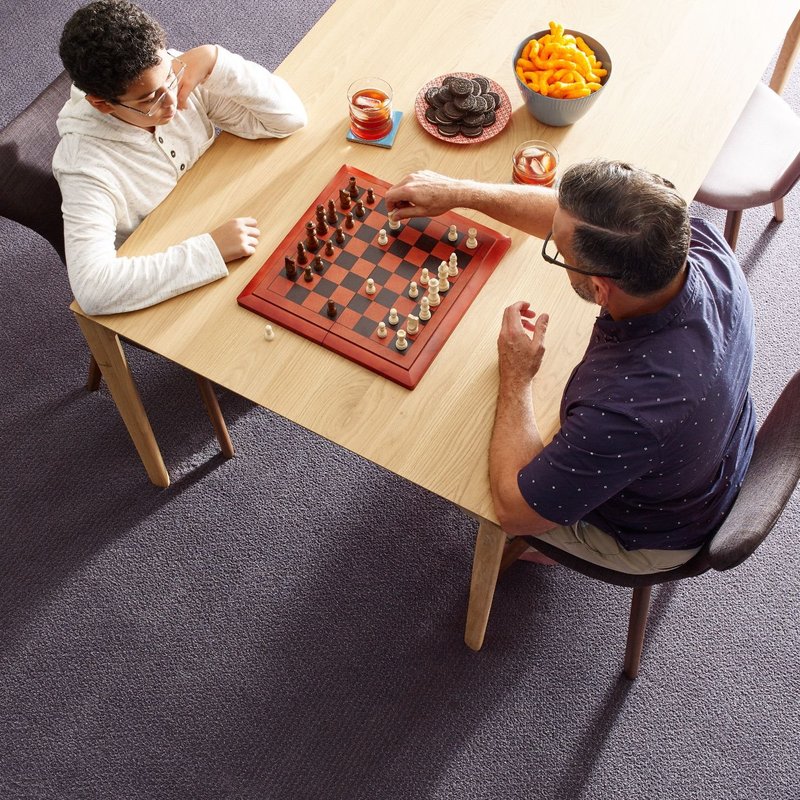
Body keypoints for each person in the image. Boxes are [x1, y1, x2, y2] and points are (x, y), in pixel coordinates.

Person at [385, 160, 755, 574]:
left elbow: (514, 509)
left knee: (460, 471)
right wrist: (459, 192)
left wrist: (516, 376)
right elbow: (579, 224)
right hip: (713, 446)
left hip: (659, 528)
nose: (553, 240)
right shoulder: (698, 245)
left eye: (558, 251)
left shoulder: (624, 413)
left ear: (599, 289)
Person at [53, 0, 307, 316]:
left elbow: (287, 119)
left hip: (220, 209)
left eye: (170, 78)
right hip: (166, 267)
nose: (173, 102)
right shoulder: (85, 168)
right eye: (149, 100)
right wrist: (210, 251)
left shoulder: (168, 73)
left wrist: (217, 61)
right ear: (103, 105)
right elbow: (94, 290)